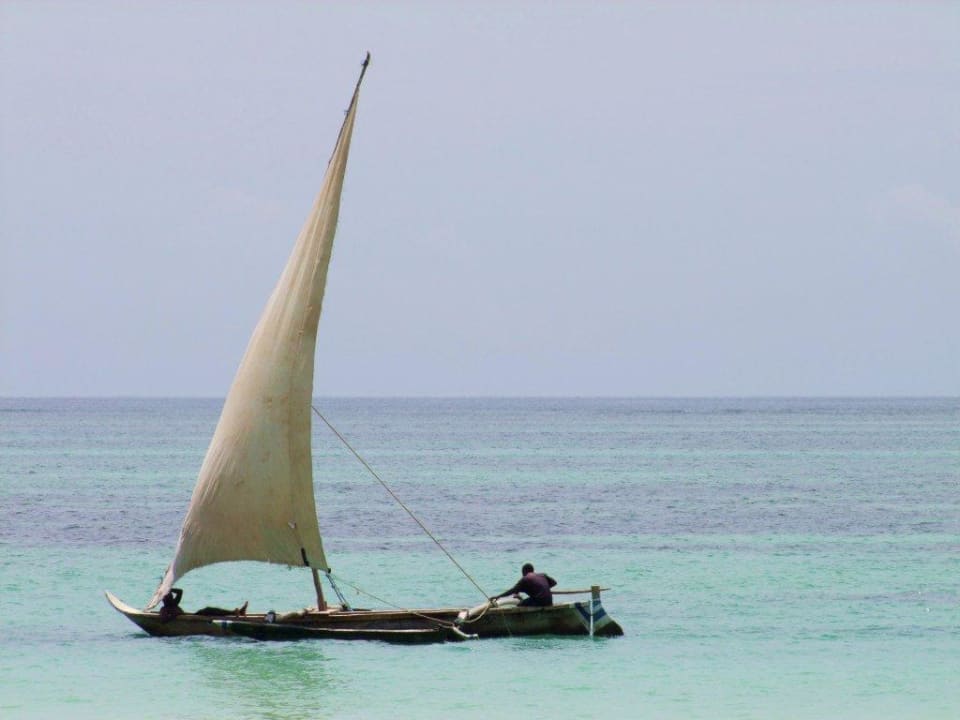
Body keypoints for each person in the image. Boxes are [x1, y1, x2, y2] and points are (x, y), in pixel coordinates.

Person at [157, 588, 248, 622]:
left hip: (192, 617)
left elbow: (180, 591)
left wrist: (169, 588)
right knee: (208, 610)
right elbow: (163, 620)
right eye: (170, 596)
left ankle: (236, 612)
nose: (172, 597)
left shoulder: (174, 603)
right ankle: (235, 612)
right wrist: (175, 616)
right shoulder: (165, 609)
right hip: (191, 620)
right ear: (165, 600)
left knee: (210, 610)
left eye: (171, 596)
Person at [490, 562, 557, 607]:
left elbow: (512, 590)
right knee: (527, 601)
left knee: (519, 605)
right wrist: (543, 589)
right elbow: (554, 583)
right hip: (549, 602)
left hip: (539, 602)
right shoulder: (542, 575)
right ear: (533, 570)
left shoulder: (525, 579)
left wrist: (498, 596)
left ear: (524, 571)